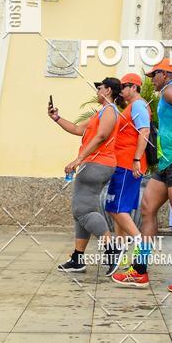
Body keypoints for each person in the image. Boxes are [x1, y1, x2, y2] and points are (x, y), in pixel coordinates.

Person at [122, 58, 172, 293]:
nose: (151, 80)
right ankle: (139, 270)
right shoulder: (169, 93)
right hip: (166, 163)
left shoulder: (170, 90)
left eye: (153, 76)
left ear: (164, 74)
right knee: (147, 209)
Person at [48, 76, 122, 275]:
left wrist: (78, 159)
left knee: (83, 211)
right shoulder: (102, 112)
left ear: (108, 91)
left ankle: (112, 249)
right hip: (95, 163)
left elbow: (102, 136)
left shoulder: (110, 110)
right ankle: (77, 258)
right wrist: (56, 118)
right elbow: (78, 129)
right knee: (81, 211)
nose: (97, 92)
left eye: (100, 88)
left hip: (97, 163)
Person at [107, 73, 150, 281]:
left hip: (128, 164)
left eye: (124, 86)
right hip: (123, 163)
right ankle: (121, 249)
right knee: (117, 209)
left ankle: (141, 244)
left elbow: (144, 132)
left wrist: (136, 159)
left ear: (134, 87)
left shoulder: (139, 105)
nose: (121, 89)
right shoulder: (132, 106)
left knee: (116, 208)